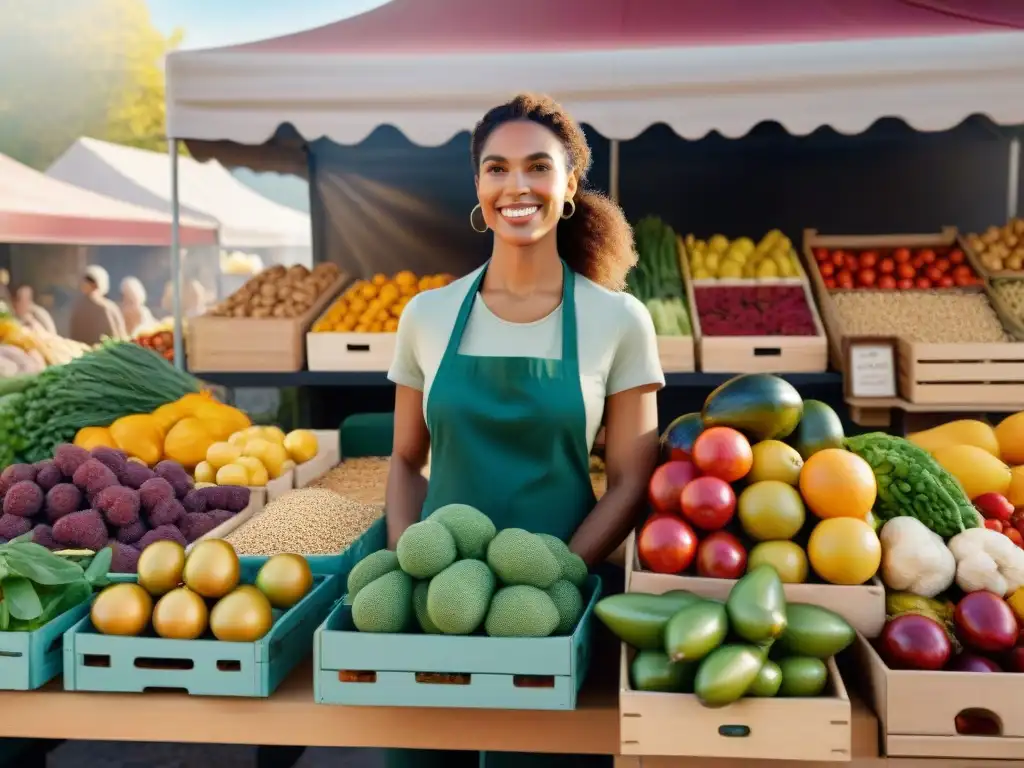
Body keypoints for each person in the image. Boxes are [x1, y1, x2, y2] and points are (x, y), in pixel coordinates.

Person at [383, 94, 664, 767]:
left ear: (569, 186)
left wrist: (562, 573)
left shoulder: (619, 320)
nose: (517, 186)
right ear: (478, 188)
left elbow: (632, 479)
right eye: (497, 169)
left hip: (556, 610)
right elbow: (402, 462)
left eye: (538, 167)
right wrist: (411, 565)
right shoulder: (428, 314)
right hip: (437, 611)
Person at [68, 265, 128, 345]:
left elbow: (116, 334)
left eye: (89, 281)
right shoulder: (79, 305)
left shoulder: (106, 308)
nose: (85, 284)